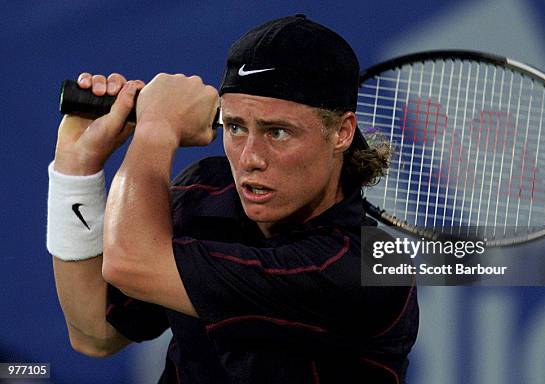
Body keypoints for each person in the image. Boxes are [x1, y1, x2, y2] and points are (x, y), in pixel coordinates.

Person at [47, 15, 418, 383]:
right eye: (237, 127)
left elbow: (130, 264)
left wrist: (157, 127)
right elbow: (96, 334)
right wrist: (76, 165)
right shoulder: (206, 192)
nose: (250, 157)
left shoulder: (369, 270)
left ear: (342, 132)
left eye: (278, 132)